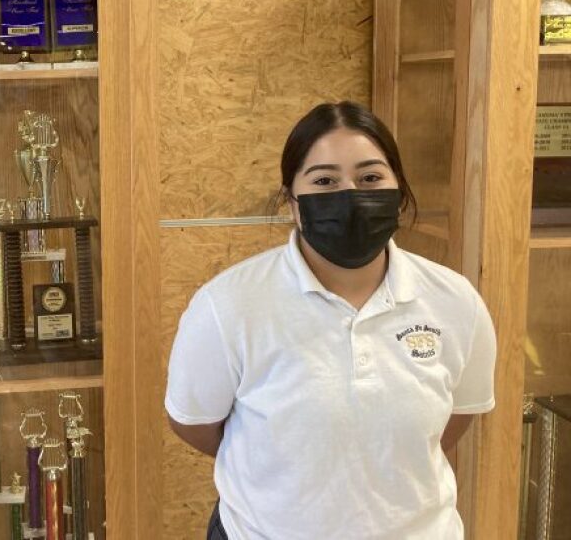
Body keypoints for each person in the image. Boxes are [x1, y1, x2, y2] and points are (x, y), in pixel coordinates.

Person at [164, 102, 497, 540]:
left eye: (370, 177)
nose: (351, 195)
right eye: (324, 180)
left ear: (399, 190)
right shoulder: (226, 306)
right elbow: (195, 423)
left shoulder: (455, 302)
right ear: (292, 203)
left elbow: (453, 419)